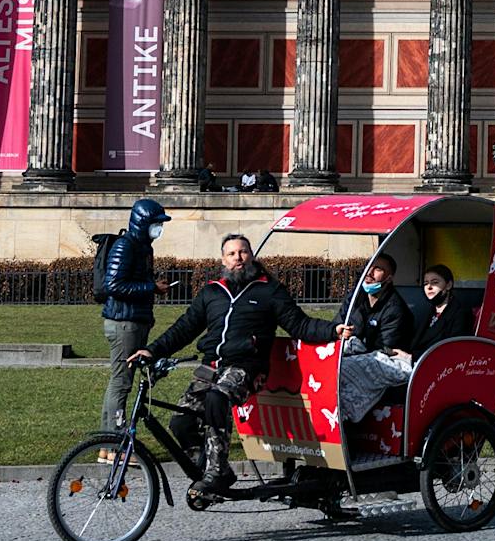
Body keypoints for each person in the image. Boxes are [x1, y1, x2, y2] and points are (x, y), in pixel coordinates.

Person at [130, 232, 338, 494]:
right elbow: (184, 328)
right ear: (223, 260)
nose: (238, 258)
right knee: (181, 423)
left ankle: (216, 472)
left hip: (247, 367)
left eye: (243, 252)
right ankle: (215, 470)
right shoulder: (212, 291)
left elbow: (301, 324)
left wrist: (334, 330)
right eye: (232, 253)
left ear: (251, 256)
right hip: (211, 366)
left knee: (218, 399)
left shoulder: (269, 290)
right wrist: (151, 351)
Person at [97, 198, 169, 438]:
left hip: (134, 320)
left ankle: (111, 438)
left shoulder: (143, 247)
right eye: (156, 223)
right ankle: (114, 438)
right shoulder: (125, 246)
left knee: (121, 380)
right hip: (123, 323)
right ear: (142, 222)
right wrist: (151, 288)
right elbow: (114, 285)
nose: (159, 228)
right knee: (122, 381)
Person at [336, 252, 416, 422]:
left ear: (389, 278)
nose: (370, 273)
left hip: (386, 360)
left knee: (343, 370)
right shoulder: (355, 298)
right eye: (368, 268)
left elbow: (387, 348)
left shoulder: (395, 309)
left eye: (377, 269)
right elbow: (336, 325)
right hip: (356, 352)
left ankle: (343, 421)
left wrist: (356, 345)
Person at [414, 264, 474, 353]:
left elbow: (453, 350)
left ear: (448, 285)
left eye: (435, 282)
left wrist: (411, 357)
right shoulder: (430, 312)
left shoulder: (460, 313)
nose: (429, 287)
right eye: (425, 283)